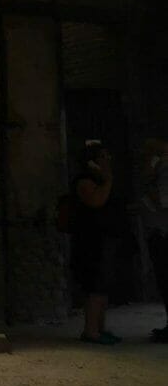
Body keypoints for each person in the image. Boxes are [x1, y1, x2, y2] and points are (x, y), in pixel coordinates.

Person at [72, 141, 120, 344]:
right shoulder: (85, 181)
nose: (108, 160)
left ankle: (100, 328)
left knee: (103, 287)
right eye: (103, 156)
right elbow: (96, 201)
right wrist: (108, 179)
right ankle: (91, 331)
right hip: (91, 241)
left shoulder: (98, 179)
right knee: (95, 287)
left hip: (104, 238)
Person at [138, 139, 168, 343]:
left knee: (166, 279)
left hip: (163, 232)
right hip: (160, 231)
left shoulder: (164, 168)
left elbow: (162, 201)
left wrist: (148, 184)